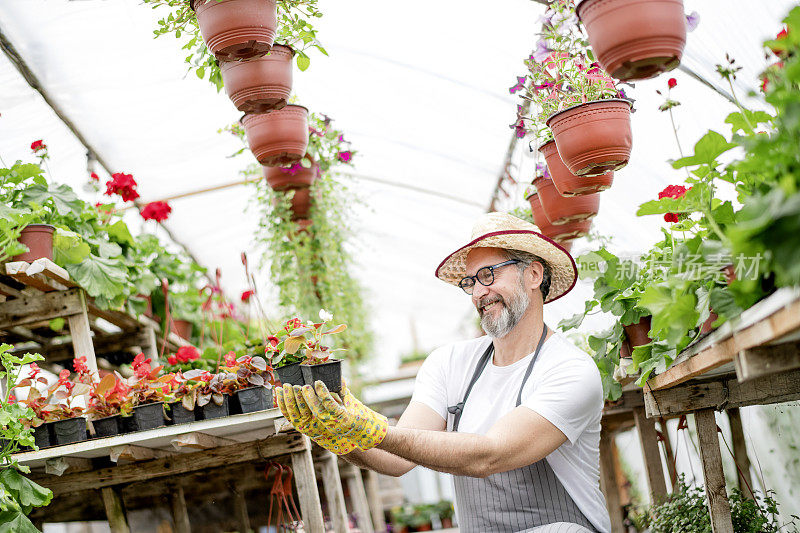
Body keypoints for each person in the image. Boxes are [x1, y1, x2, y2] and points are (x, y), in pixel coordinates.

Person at [276, 212, 611, 533]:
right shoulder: (450, 363)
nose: (479, 292)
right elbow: (395, 461)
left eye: (489, 275)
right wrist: (334, 433)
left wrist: (370, 427)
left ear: (534, 274)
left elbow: (489, 455)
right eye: (471, 282)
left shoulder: (569, 370)